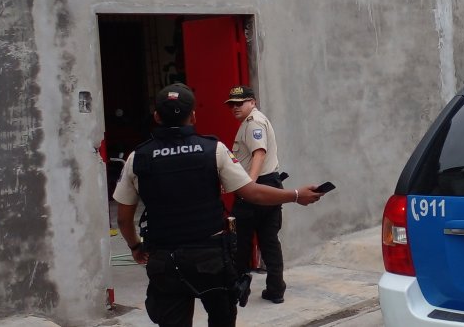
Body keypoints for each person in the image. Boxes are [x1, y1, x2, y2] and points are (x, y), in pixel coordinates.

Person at [113, 83, 324, 327]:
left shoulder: (137, 158)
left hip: (165, 259)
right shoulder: (213, 150)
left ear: (157, 117)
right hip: (210, 260)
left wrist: (136, 247)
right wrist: (296, 194)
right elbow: (252, 192)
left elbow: (123, 219)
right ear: (193, 115)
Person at [226, 85, 287, 304]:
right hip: (269, 184)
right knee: (269, 241)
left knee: (240, 242)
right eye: (232, 104)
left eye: (240, 103)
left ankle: (238, 289)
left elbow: (258, 154)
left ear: (252, 102)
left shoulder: (253, 123)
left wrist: (249, 185)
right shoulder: (252, 121)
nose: (235, 107)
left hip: (256, 188)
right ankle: (276, 290)